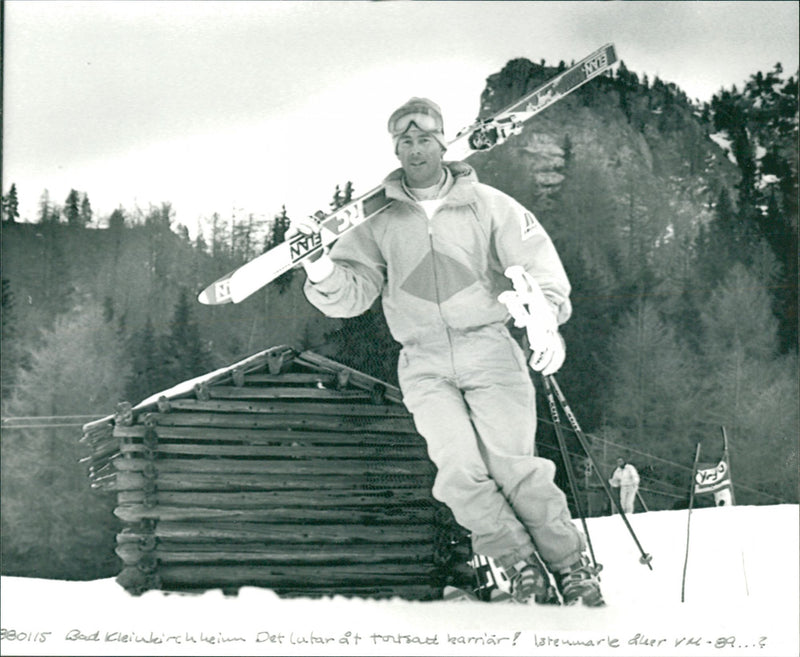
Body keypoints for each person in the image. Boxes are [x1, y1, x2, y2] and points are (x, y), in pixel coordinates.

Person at [288, 97, 603, 606]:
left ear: (443, 143)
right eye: (405, 142)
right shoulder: (378, 220)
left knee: (514, 467)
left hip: (490, 349)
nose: (415, 150)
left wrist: (545, 318)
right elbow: (353, 293)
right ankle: (520, 565)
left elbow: (539, 267)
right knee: (458, 473)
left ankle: (572, 569)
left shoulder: (491, 205)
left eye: (425, 139)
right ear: (395, 149)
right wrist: (321, 269)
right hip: (424, 359)